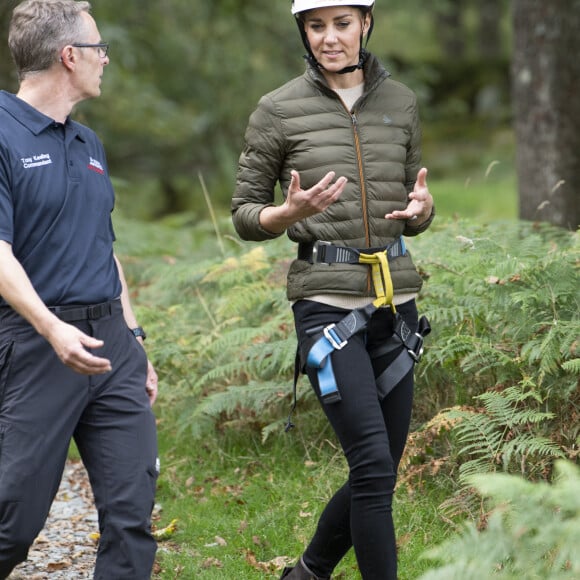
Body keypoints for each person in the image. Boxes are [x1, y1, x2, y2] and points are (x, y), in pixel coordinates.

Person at [232, 1, 435, 578]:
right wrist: (283, 213)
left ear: (366, 23)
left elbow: (415, 201)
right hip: (326, 306)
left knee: (381, 470)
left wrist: (425, 210)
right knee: (372, 465)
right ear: (302, 30)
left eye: (341, 24)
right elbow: (243, 213)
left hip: (395, 304)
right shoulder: (277, 110)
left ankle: (307, 573)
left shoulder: (402, 103)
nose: (329, 38)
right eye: (316, 26)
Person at [0, 1, 159, 578]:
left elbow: (102, 248)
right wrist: (51, 327)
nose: (105, 59)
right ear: (69, 57)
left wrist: (134, 337)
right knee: (12, 518)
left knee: (131, 513)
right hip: (37, 342)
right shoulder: (0, 132)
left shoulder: (88, 144)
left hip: (110, 342)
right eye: (99, 48)